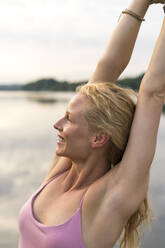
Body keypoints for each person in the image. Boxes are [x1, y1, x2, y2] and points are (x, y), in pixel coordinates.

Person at [18, 0, 165, 247]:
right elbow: (107, 67)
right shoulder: (62, 172)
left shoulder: (112, 196)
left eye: (69, 119)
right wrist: (141, 2)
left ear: (99, 138)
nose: (57, 124)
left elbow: (153, 92)